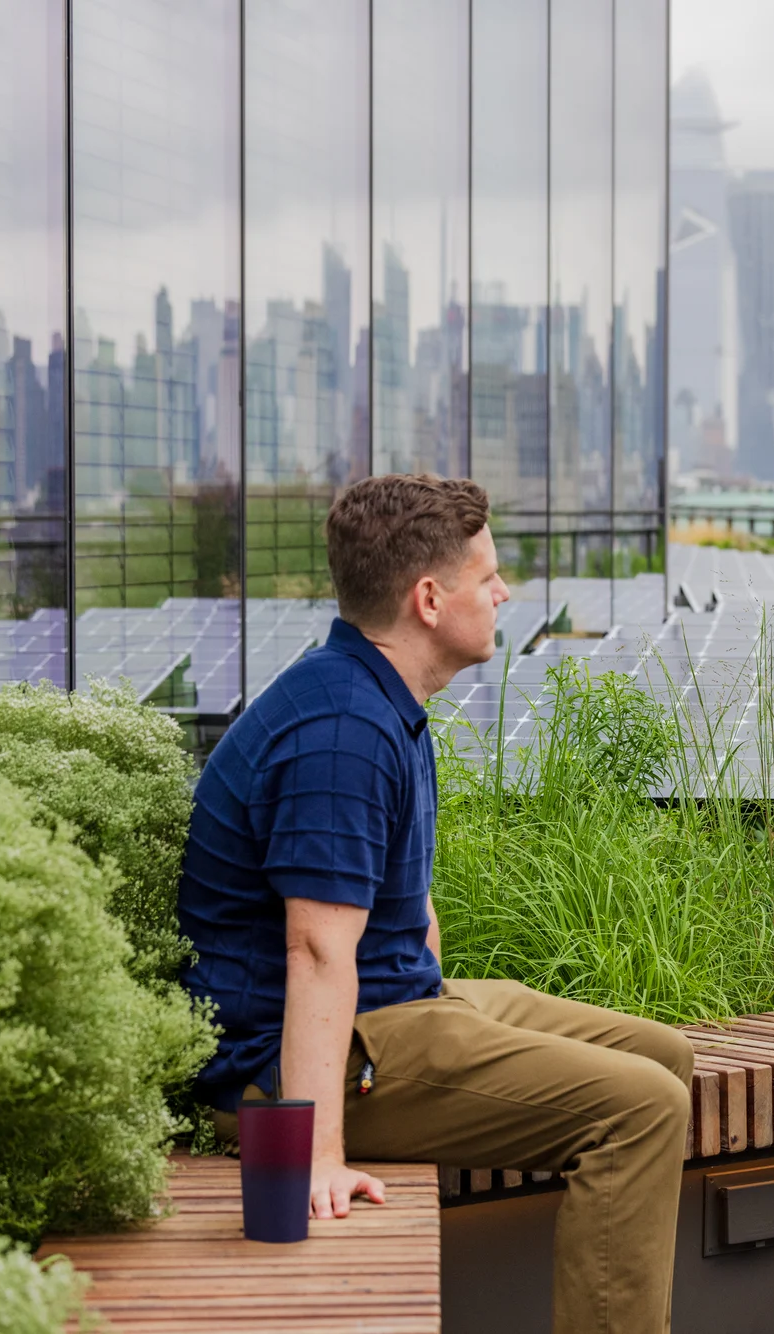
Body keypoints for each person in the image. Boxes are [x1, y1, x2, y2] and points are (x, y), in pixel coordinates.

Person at [178, 474, 692, 1334]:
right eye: (486, 576)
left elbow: (403, 909)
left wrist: (456, 1021)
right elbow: (315, 952)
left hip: (395, 1009)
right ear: (427, 598)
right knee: (642, 1108)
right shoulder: (339, 731)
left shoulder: (382, 699)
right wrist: (317, 1159)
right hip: (305, 1064)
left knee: (664, 1057)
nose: (502, 593)